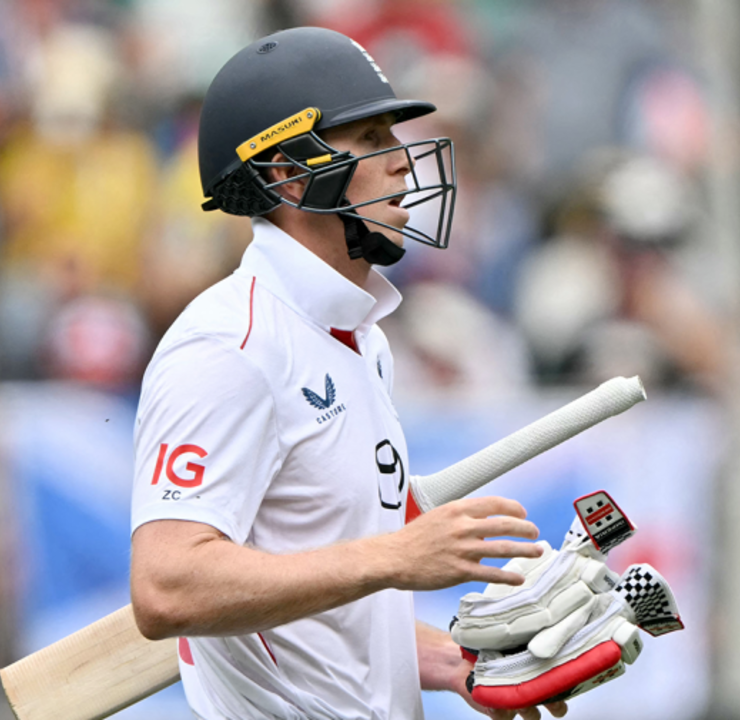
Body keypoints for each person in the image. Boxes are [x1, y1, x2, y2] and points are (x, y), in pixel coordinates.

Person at [129, 27, 566, 720]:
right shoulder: (229, 347)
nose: (402, 164)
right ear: (287, 171)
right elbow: (167, 586)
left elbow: (311, 602)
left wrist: (452, 661)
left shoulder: (358, 338)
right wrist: (396, 557)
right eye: (370, 141)